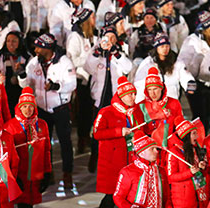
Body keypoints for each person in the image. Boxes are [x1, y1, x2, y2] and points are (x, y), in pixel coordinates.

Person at [90, 77, 147, 208]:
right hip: (114, 162)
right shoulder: (106, 112)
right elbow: (97, 133)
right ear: (121, 96)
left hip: (133, 160)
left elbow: (142, 130)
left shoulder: (137, 111)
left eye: (134, 95)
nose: (132, 98)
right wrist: (118, 131)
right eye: (129, 95)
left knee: (133, 196)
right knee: (112, 196)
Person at [18, 33, 76, 189]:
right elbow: (26, 87)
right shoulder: (34, 63)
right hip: (42, 109)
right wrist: (22, 75)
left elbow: (72, 84)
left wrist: (55, 86)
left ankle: (67, 174)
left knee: (65, 143)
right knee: (44, 144)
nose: (36, 50)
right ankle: (47, 174)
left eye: (38, 47)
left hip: (60, 108)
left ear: (47, 48)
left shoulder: (64, 62)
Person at [84, 26, 133, 172]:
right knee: (97, 129)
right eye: (107, 38)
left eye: (113, 38)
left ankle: (118, 158)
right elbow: (88, 68)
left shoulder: (120, 52)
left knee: (117, 130)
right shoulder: (96, 51)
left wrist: (116, 54)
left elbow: (128, 67)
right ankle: (95, 156)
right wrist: (98, 53)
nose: (110, 41)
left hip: (116, 99)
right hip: (99, 98)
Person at [4, 87, 51, 208]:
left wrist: (47, 172)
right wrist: (12, 177)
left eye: (30, 106)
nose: (27, 110)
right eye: (24, 106)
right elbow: (6, 157)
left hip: (35, 175)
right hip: (19, 175)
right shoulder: (10, 127)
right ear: (19, 107)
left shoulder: (42, 124)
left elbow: (47, 150)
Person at [179, 10, 210, 129]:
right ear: (207, 26)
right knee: (200, 118)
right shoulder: (192, 41)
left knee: (209, 118)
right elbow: (182, 63)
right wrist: (189, 82)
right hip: (196, 86)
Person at [65, 8, 97, 154]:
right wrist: (90, 59)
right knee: (83, 110)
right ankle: (82, 138)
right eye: (92, 18)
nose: (94, 20)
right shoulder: (75, 37)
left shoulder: (92, 36)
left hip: (93, 77)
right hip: (81, 78)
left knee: (91, 109)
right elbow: (72, 59)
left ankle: (90, 135)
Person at [134, 32, 194, 104]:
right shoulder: (148, 63)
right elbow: (139, 83)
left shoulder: (176, 61)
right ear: (157, 48)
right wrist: (139, 102)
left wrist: (189, 83)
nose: (165, 49)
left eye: (167, 46)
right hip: (153, 103)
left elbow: (184, 74)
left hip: (172, 100)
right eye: (162, 47)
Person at [137, 66, 183, 136]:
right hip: (149, 144)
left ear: (161, 88)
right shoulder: (141, 106)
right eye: (149, 90)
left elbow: (180, 126)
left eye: (155, 89)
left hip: (169, 143)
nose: (153, 93)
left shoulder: (174, 103)